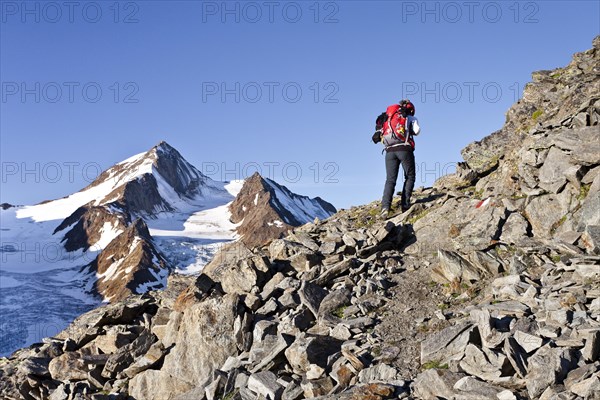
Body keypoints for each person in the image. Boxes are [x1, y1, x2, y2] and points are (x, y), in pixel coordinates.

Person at [372, 99, 421, 218]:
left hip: (389, 151)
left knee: (390, 180)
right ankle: (405, 204)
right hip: (404, 149)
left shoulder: (387, 116)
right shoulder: (409, 117)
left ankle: (385, 208)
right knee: (410, 176)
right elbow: (417, 131)